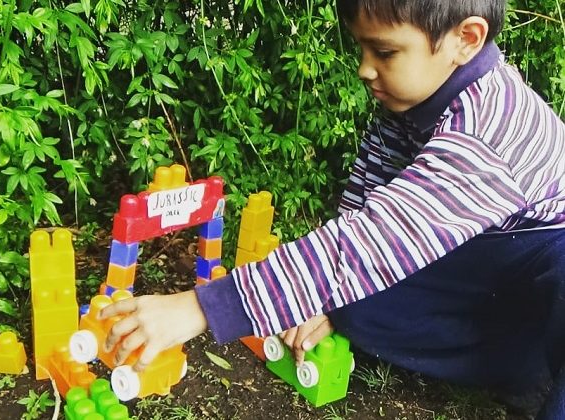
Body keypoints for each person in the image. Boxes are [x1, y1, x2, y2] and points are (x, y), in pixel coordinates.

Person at [100, 0, 565, 417]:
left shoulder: (489, 131)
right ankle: (522, 357)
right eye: (361, 49)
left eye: (383, 53)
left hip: (540, 256)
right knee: (355, 306)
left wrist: (198, 308)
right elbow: (365, 206)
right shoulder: (412, 103)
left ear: (465, 39)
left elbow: (377, 239)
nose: (364, 69)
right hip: (484, 266)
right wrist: (324, 299)